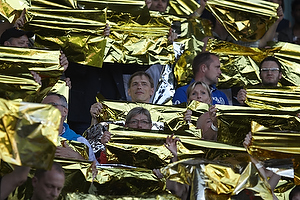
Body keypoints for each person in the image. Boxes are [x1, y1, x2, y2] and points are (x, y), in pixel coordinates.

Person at [41, 93, 97, 162]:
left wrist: (78, 158)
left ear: (65, 111)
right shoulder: (30, 138)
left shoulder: (80, 141)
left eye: (52, 105)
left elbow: (97, 170)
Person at [90, 71, 155, 125]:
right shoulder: (112, 112)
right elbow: (93, 137)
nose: (139, 87)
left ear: (152, 91)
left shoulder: (161, 114)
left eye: (144, 84)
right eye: (135, 84)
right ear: (128, 91)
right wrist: (95, 118)